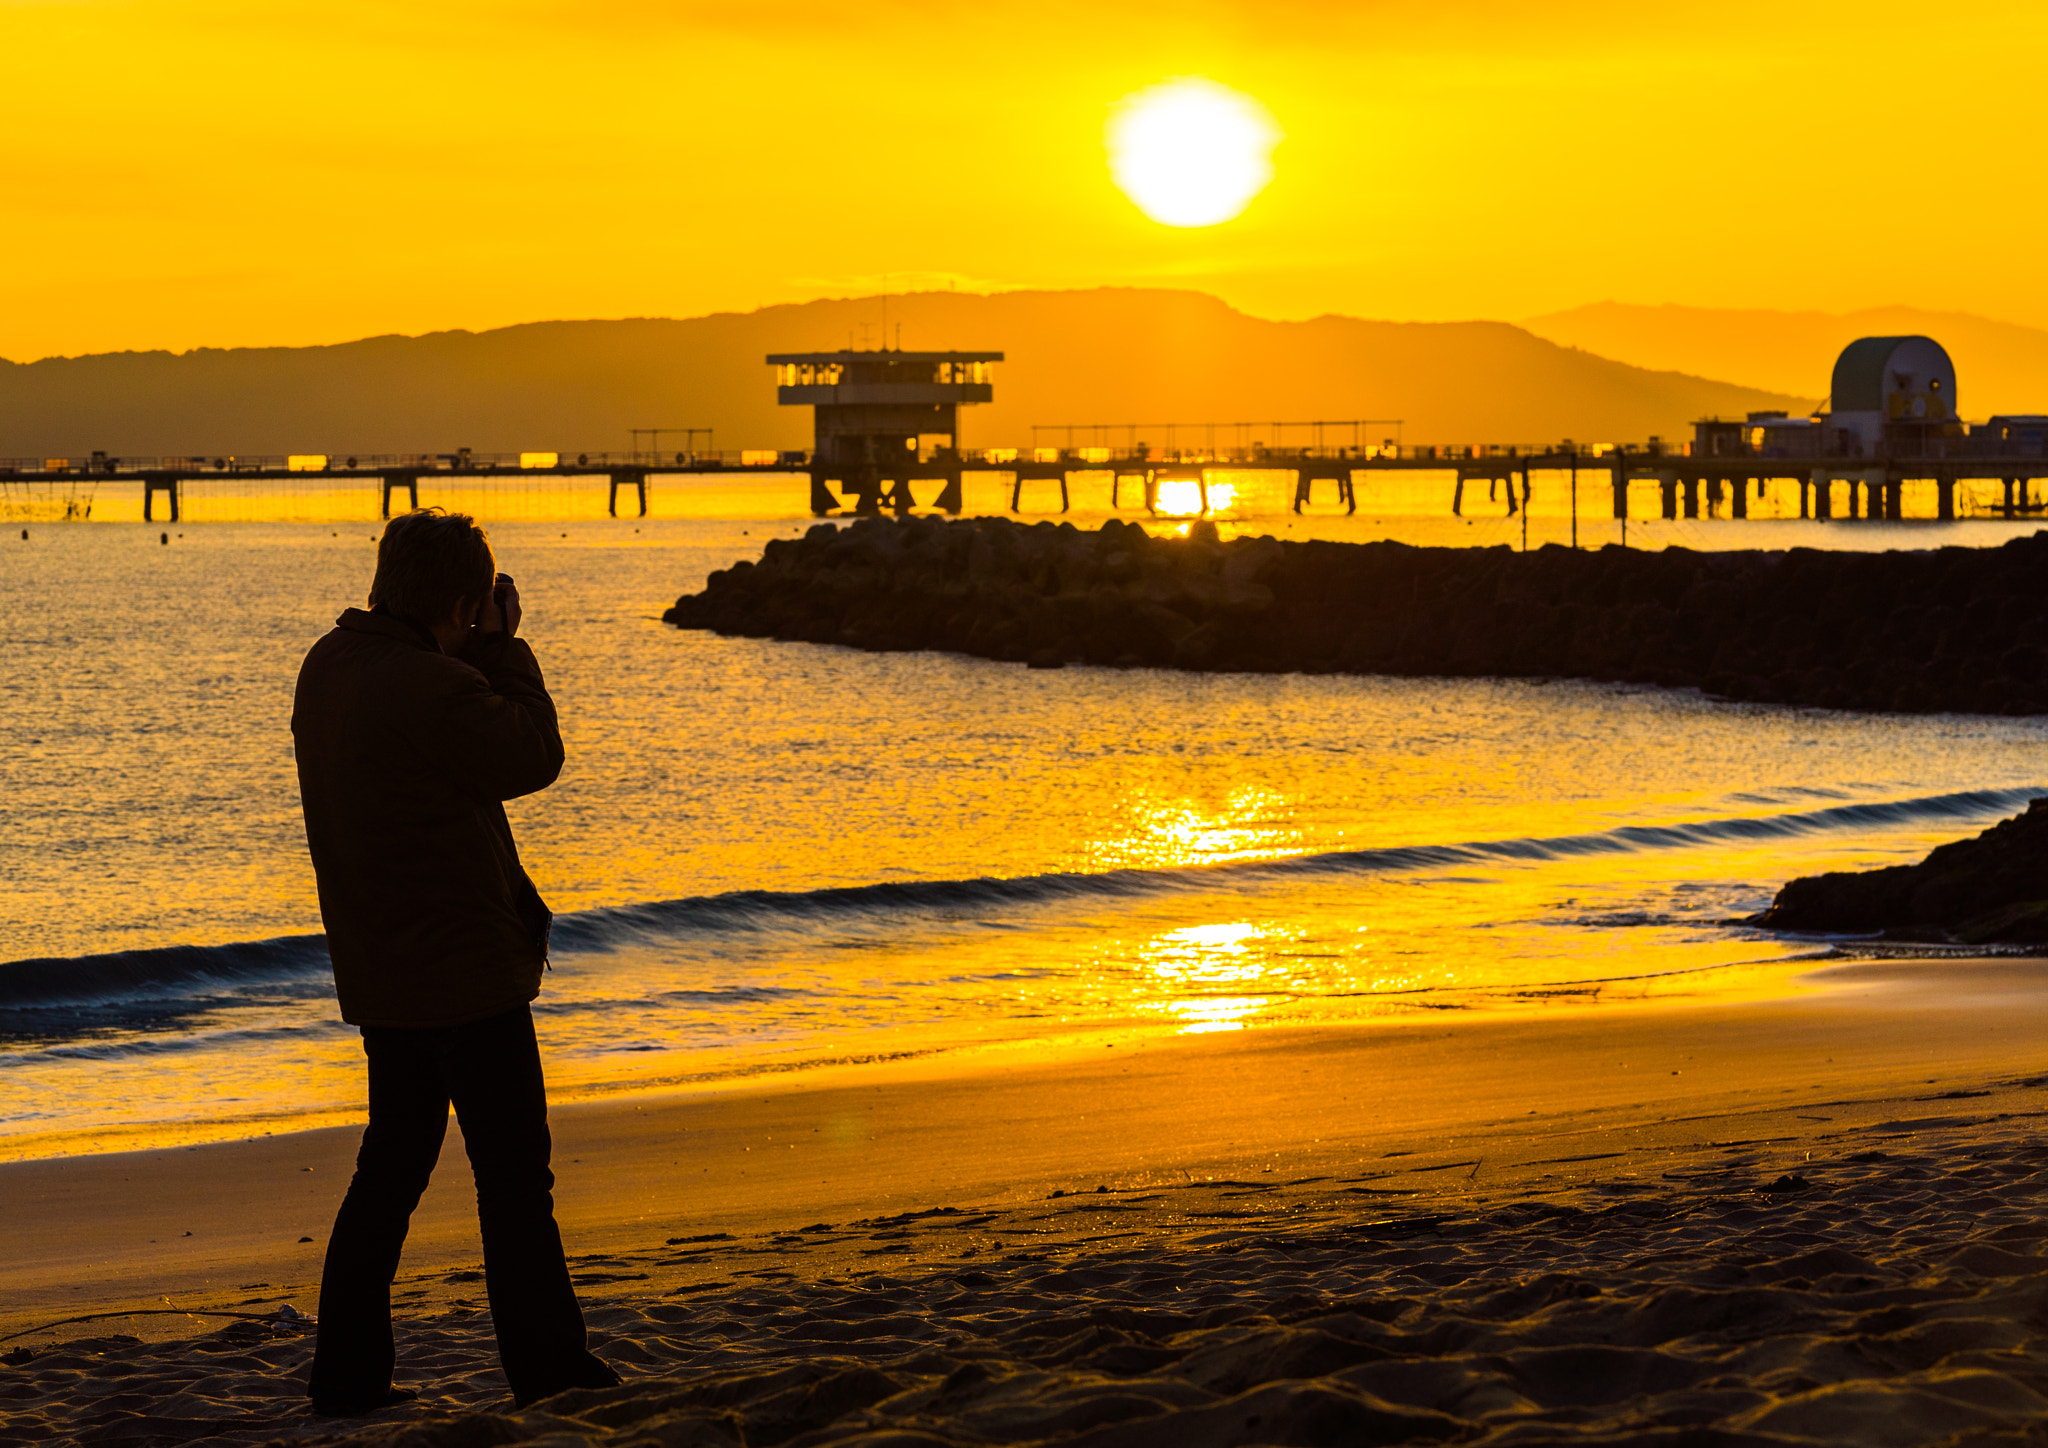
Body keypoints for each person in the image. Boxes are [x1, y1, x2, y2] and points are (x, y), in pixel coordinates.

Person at [291, 508, 618, 1415]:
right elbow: (532, 753)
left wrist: (465, 648)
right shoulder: (433, 688)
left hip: (382, 966)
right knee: (515, 1178)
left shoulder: (331, 667)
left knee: (389, 1175)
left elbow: (429, 727)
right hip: (464, 971)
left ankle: (347, 1376)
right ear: (467, 600)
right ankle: (547, 1368)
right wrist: (506, 648)